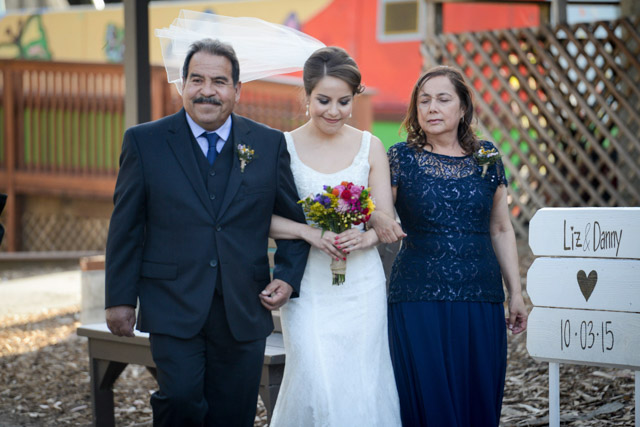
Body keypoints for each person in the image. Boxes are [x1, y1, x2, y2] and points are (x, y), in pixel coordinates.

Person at [104, 38, 310, 427]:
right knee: (180, 401)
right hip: (171, 300)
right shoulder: (144, 142)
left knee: (235, 411)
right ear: (182, 84)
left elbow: (292, 218)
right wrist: (119, 298)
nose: (207, 91)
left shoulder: (267, 144)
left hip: (244, 304)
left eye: (218, 81)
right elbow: (125, 226)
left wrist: (286, 276)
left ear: (236, 90)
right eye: (196, 80)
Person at [381, 65, 528, 426]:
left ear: (463, 108)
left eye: (443, 99)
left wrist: (516, 293)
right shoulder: (401, 157)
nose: (432, 108)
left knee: (476, 393)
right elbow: (379, 216)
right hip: (418, 296)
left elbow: (501, 229)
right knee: (428, 398)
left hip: (480, 294)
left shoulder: (488, 157)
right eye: (424, 100)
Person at [267, 46, 402, 426]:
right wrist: (310, 232)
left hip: (361, 287)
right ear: (307, 95)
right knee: (315, 380)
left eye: (344, 101)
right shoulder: (284, 147)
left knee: (362, 381)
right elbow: (263, 220)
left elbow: (385, 217)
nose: (334, 110)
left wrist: (367, 238)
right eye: (323, 100)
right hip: (308, 286)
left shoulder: (369, 146)